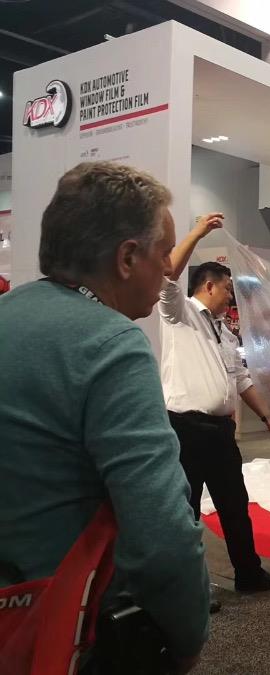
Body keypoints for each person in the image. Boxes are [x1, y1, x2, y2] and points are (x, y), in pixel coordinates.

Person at [0, 162, 209, 671]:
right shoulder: (111, 345)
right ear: (127, 258)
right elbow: (162, 539)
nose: (168, 270)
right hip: (61, 628)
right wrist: (188, 639)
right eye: (164, 253)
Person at [159, 215, 270, 594]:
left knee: (235, 505)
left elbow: (242, 379)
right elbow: (167, 278)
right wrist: (198, 231)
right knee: (184, 512)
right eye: (229, 290)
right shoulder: (180, 314)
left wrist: (268, 416)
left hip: (220, 433)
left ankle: (249, 574)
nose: (232, 298)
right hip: (185, 430)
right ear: (209, 286)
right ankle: (187, 589)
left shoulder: (225, 333)